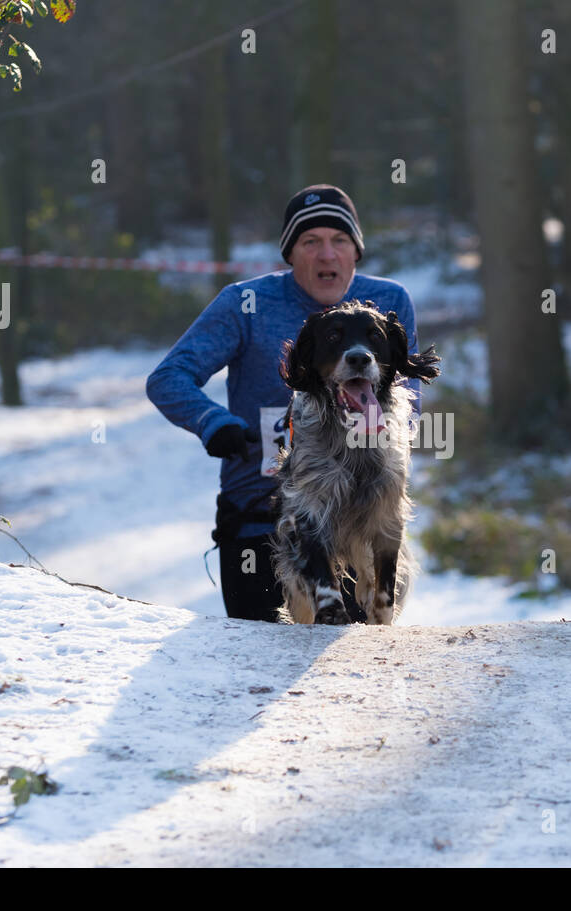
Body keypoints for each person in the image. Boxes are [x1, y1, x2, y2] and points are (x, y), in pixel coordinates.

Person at [146, 184, 423, 622]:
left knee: (358, 670)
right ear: (289, 254)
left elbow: (408, 408)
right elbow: (167, 378)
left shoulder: (389, 304)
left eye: (340, 241)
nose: (326, 255)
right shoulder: (246, 304)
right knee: (265, 674)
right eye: (310, 242)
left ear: (357, 252)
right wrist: (213, 421)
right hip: (257, 521)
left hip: (360, 531)